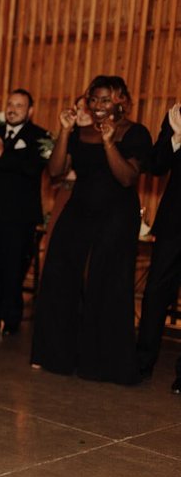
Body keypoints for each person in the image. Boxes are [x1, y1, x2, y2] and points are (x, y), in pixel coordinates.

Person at [31, 76, 152, 384]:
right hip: (79, 209)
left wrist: (110, 142)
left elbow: (126, 179)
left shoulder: (135, 133)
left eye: (105, 100)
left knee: (106, 282)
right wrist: (64, 130)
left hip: (116, 214)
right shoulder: (79, 132)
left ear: (120, 100)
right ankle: (57, 356)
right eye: (94, 100)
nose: (98, 107)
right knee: (59, 272)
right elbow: (55, 171)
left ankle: (103, 364)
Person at [0, 89, 49, 335]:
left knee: (14, 267)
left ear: (30, 111)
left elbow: (32, 170)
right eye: (10, 104)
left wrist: (1, 152)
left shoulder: (39, 137)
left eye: (20, 105)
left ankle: (11, 318)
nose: (13, 109)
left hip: (18, 215)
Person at [137, 103, 181, 393]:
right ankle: (142, 362)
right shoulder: (177, 113)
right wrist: (176, 137)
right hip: (175, 221)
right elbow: (156, 165)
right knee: (155, 292)